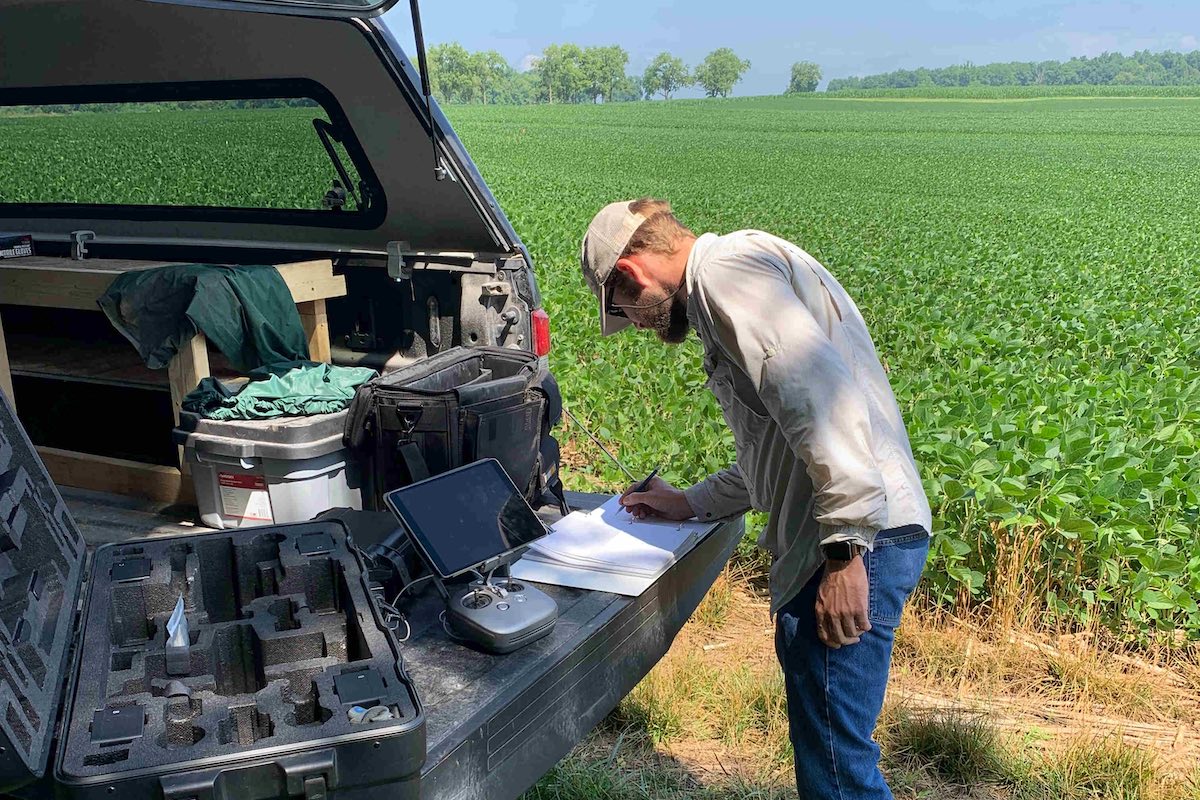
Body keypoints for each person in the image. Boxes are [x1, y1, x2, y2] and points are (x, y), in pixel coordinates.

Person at [579, 199, 932, 799]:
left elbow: (818, 403)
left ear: (631, 275)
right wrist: (691, 501)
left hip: (849, 543)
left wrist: (846, 550)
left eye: (624, 312)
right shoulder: (740, 269)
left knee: (838, 770)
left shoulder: (726, 276)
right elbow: (781, 444)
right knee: (832, 754)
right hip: (859, 531)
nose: (637, 325)